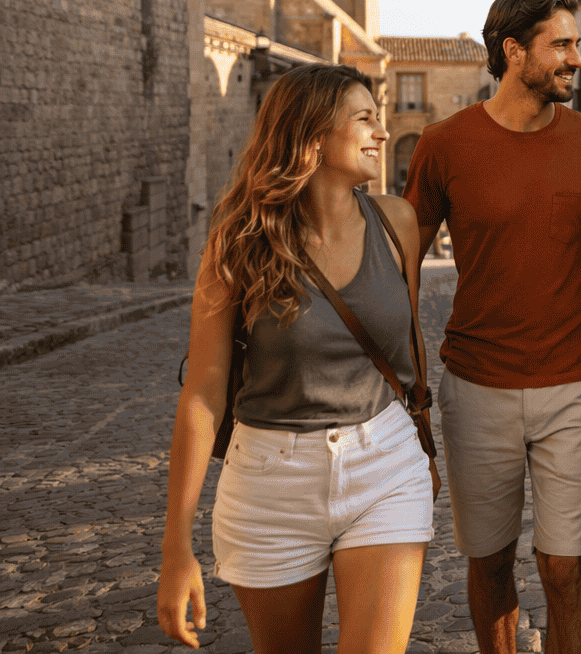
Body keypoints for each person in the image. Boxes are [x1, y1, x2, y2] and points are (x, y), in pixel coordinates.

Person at [158, 63, 433, 653]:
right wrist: (176, 546)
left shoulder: (398, 223)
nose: (382, 133)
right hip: (268, 482)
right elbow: (204, 391)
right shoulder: (238, 239)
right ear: (311, 136)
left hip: (384, 463)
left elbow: (409, 350)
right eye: (364, 119)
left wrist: (422, 439)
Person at [403, 0, 581, 654]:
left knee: (565, 566)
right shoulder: (443, 145)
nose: (576, 59)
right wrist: (411, 395)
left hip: (573, 387)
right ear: (513, 51)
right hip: (475, 389)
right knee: (490, 562)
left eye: (576, 45)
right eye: (562, 45)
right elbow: (402, 276)